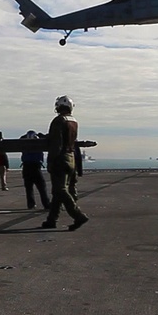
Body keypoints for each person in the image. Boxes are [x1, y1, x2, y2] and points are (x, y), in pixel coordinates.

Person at [42, 95, 90, 231]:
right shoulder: (74, 121)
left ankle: (78, 215)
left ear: (59, 106)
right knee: (58, 191)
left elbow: (56, 143)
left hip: (60, 159)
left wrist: (51, 160)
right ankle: (52, 220)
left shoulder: (58, 120)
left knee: (60, 189)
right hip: (71, 158)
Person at [20, 130, 50, 209]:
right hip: (36, 167)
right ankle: (46, 204)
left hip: (26, 167)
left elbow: (21, 138)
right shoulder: (38, 144)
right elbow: (47, 138)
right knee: (42, 187)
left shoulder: (24, 144)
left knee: (29, 188)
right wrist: (40, 135)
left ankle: (31, 204)